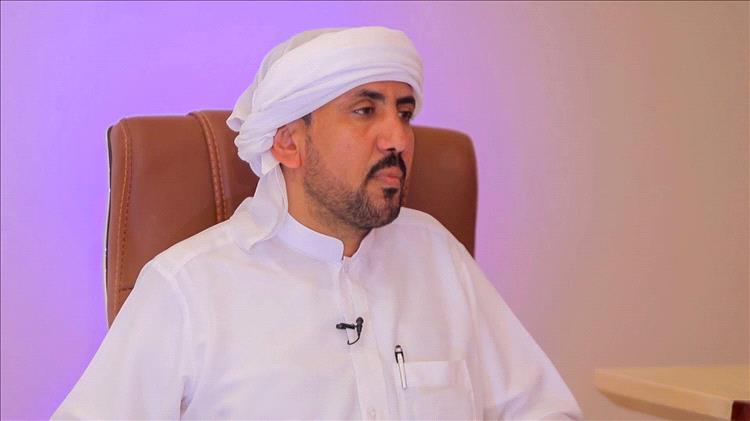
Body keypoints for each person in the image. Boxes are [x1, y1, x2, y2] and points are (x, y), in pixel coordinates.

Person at [53, 26, 581, 420]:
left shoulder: (436, 255)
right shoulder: (188, 286)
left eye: (404, 113)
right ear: (288, 143)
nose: (398, 138)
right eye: (365, 111)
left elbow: (542, 409)